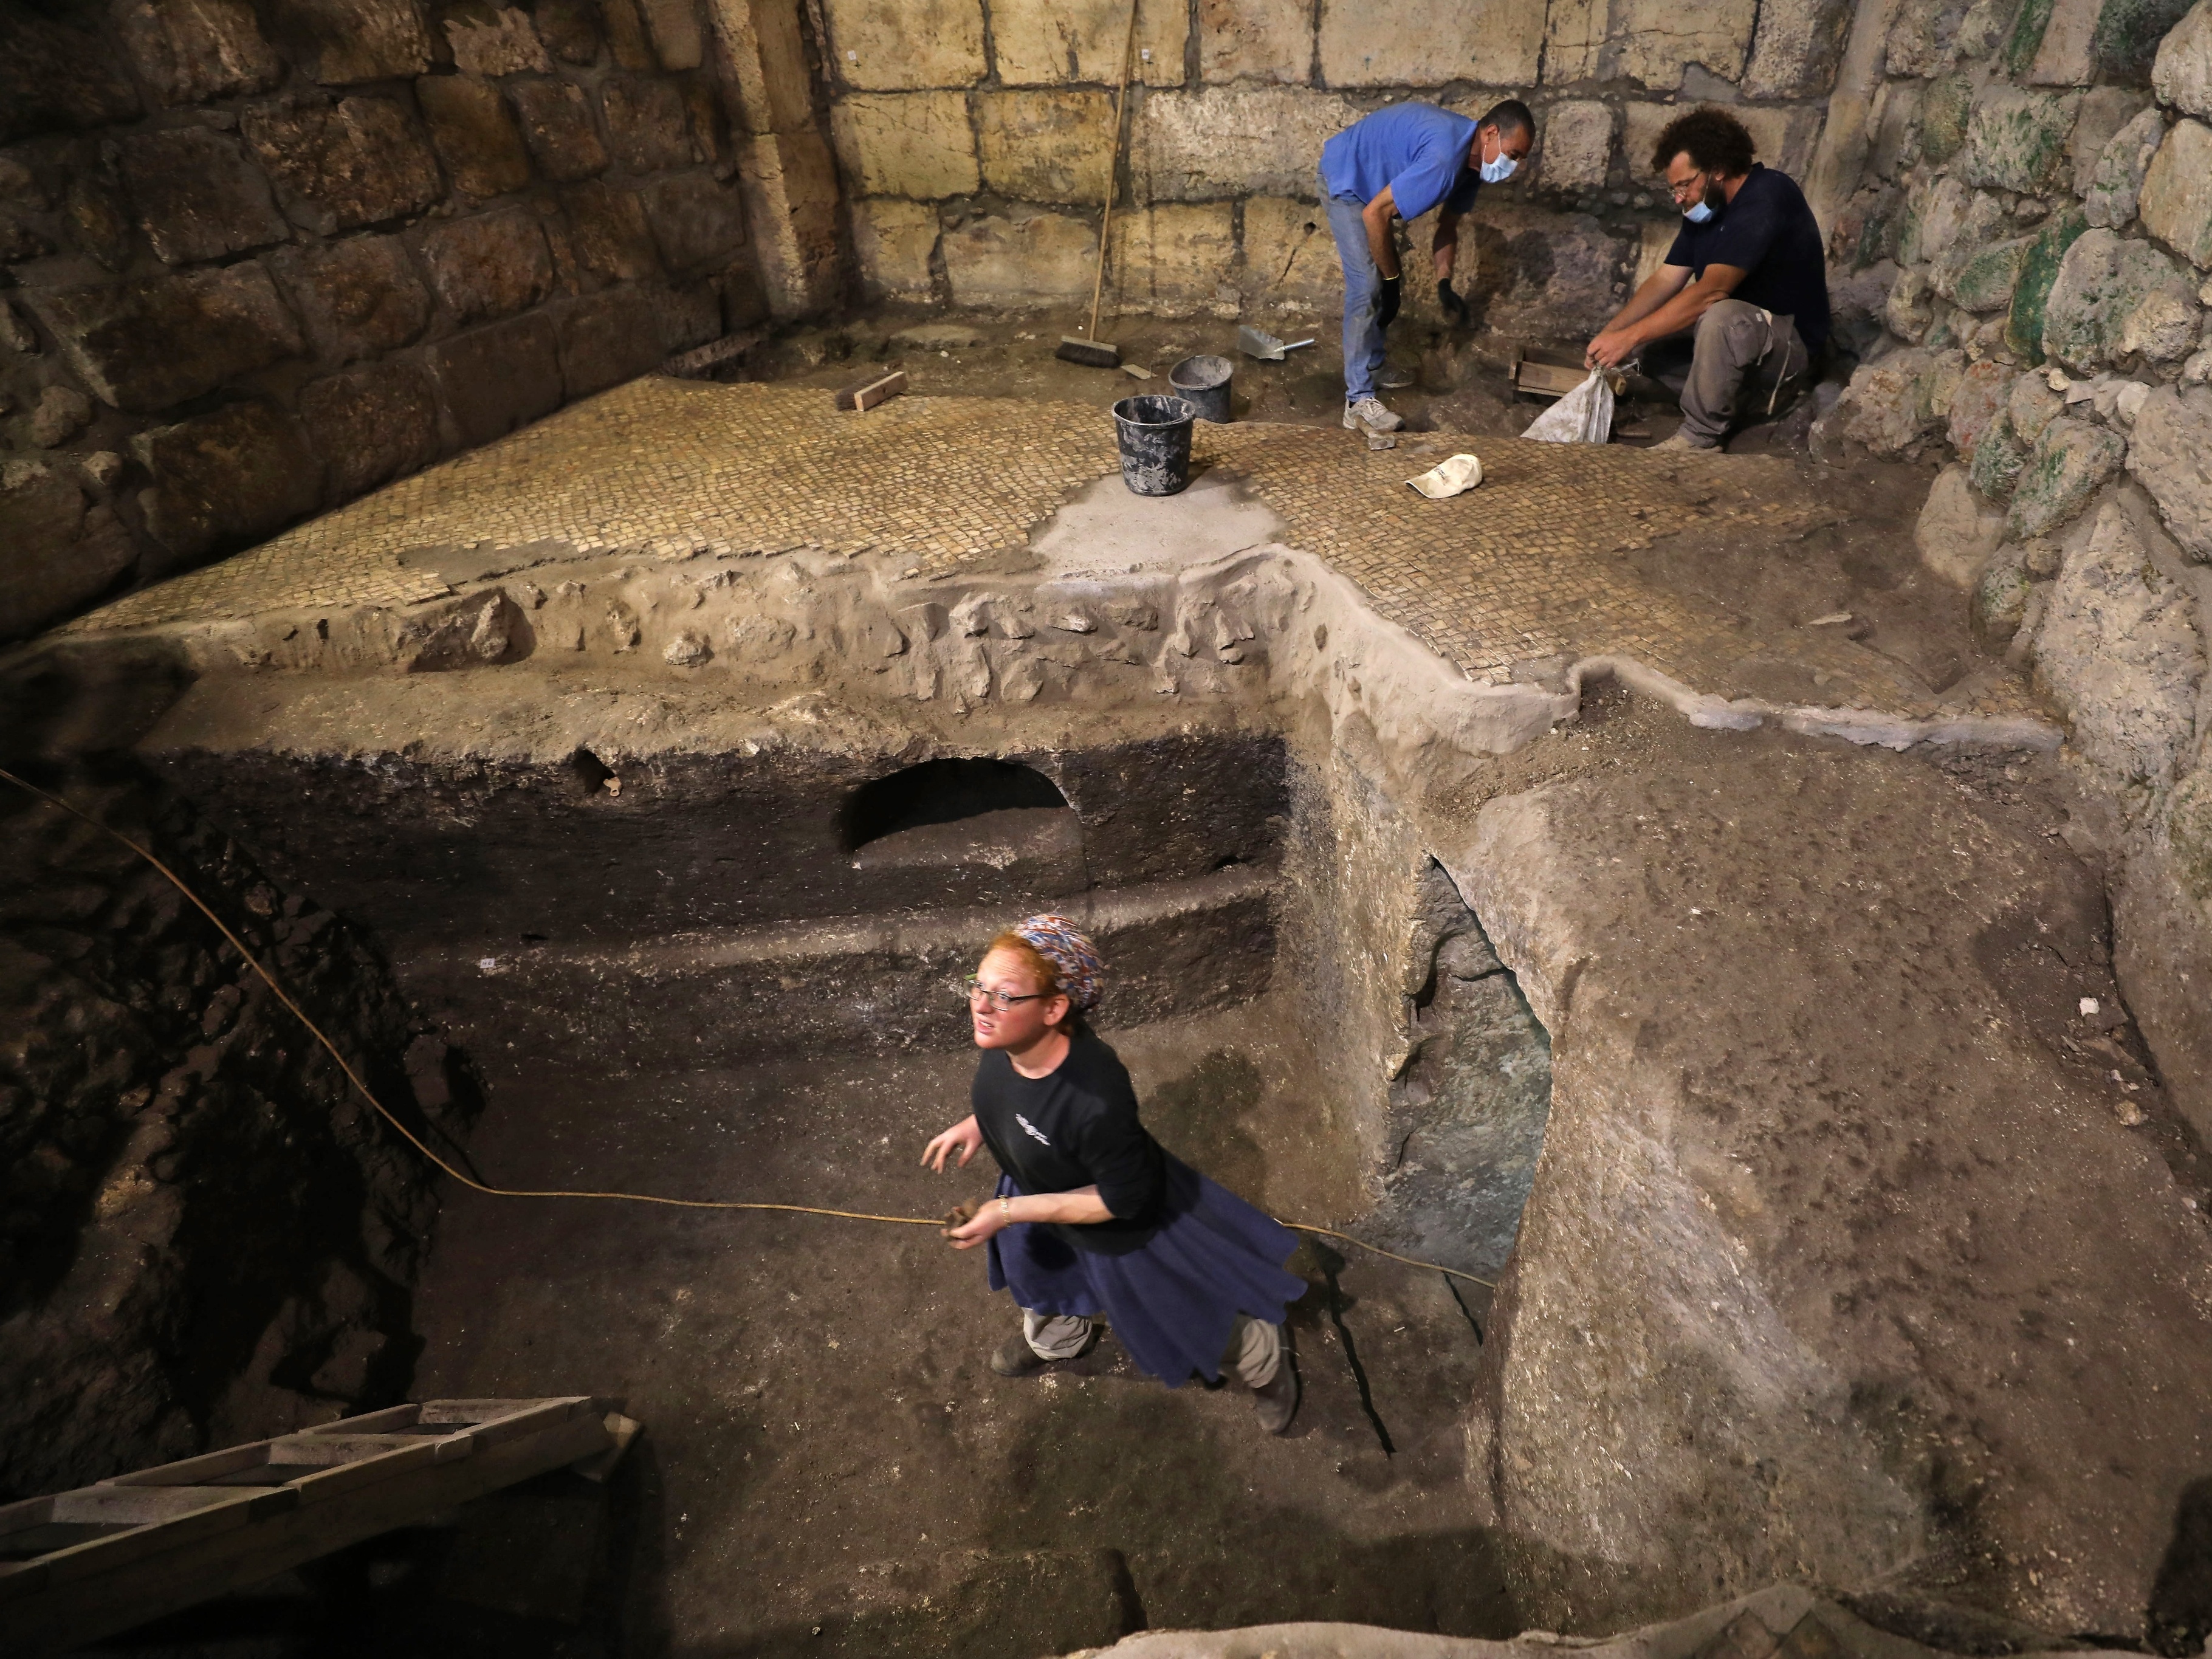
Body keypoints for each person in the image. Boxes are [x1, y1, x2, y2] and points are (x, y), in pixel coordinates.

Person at [922, 916, 1307, 1434]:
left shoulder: (1095, 1098)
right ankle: (1060, 1339)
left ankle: (1265, 1367)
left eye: (1005, 996)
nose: (982, 1006)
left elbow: (1121, 1200)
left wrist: (1008, 1212)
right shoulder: (1010, 1042)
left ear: (1055, 1009)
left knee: (1181, 1314)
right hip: (1037, 1196)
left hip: (1118, 1232)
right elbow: (1023, 1103)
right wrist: (980, 1125)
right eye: (979, 986)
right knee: (1039, 1279)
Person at [1584, 105, 1830, 452]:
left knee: (1720, 316)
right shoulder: (1706, 213)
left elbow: (1711, 291)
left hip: (1789, 349)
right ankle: (1733, 399)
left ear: (1717, 169)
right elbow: (1664, 281)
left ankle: (1701, 437)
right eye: (1674, 189)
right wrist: (1614, 334)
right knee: (1644, 345)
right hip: (1744, 342)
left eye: (1685, 185)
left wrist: (1628, 336)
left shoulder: (1769, 194)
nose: (1679, 197)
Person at [1318, 98, 1535, 436]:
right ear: (1491, 133)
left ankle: (1371, 368)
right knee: (1368, 285)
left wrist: (1444, 282)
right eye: (1515, 154)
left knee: (1381, 280)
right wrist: (1392, 282)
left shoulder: (1471, 167)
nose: (1515, 165)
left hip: (1374, 190)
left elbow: (1447, 228)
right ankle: (1357, 402)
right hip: (1349, 179)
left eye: (1520, 159)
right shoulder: (1444, 159)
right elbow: (1374, 214)